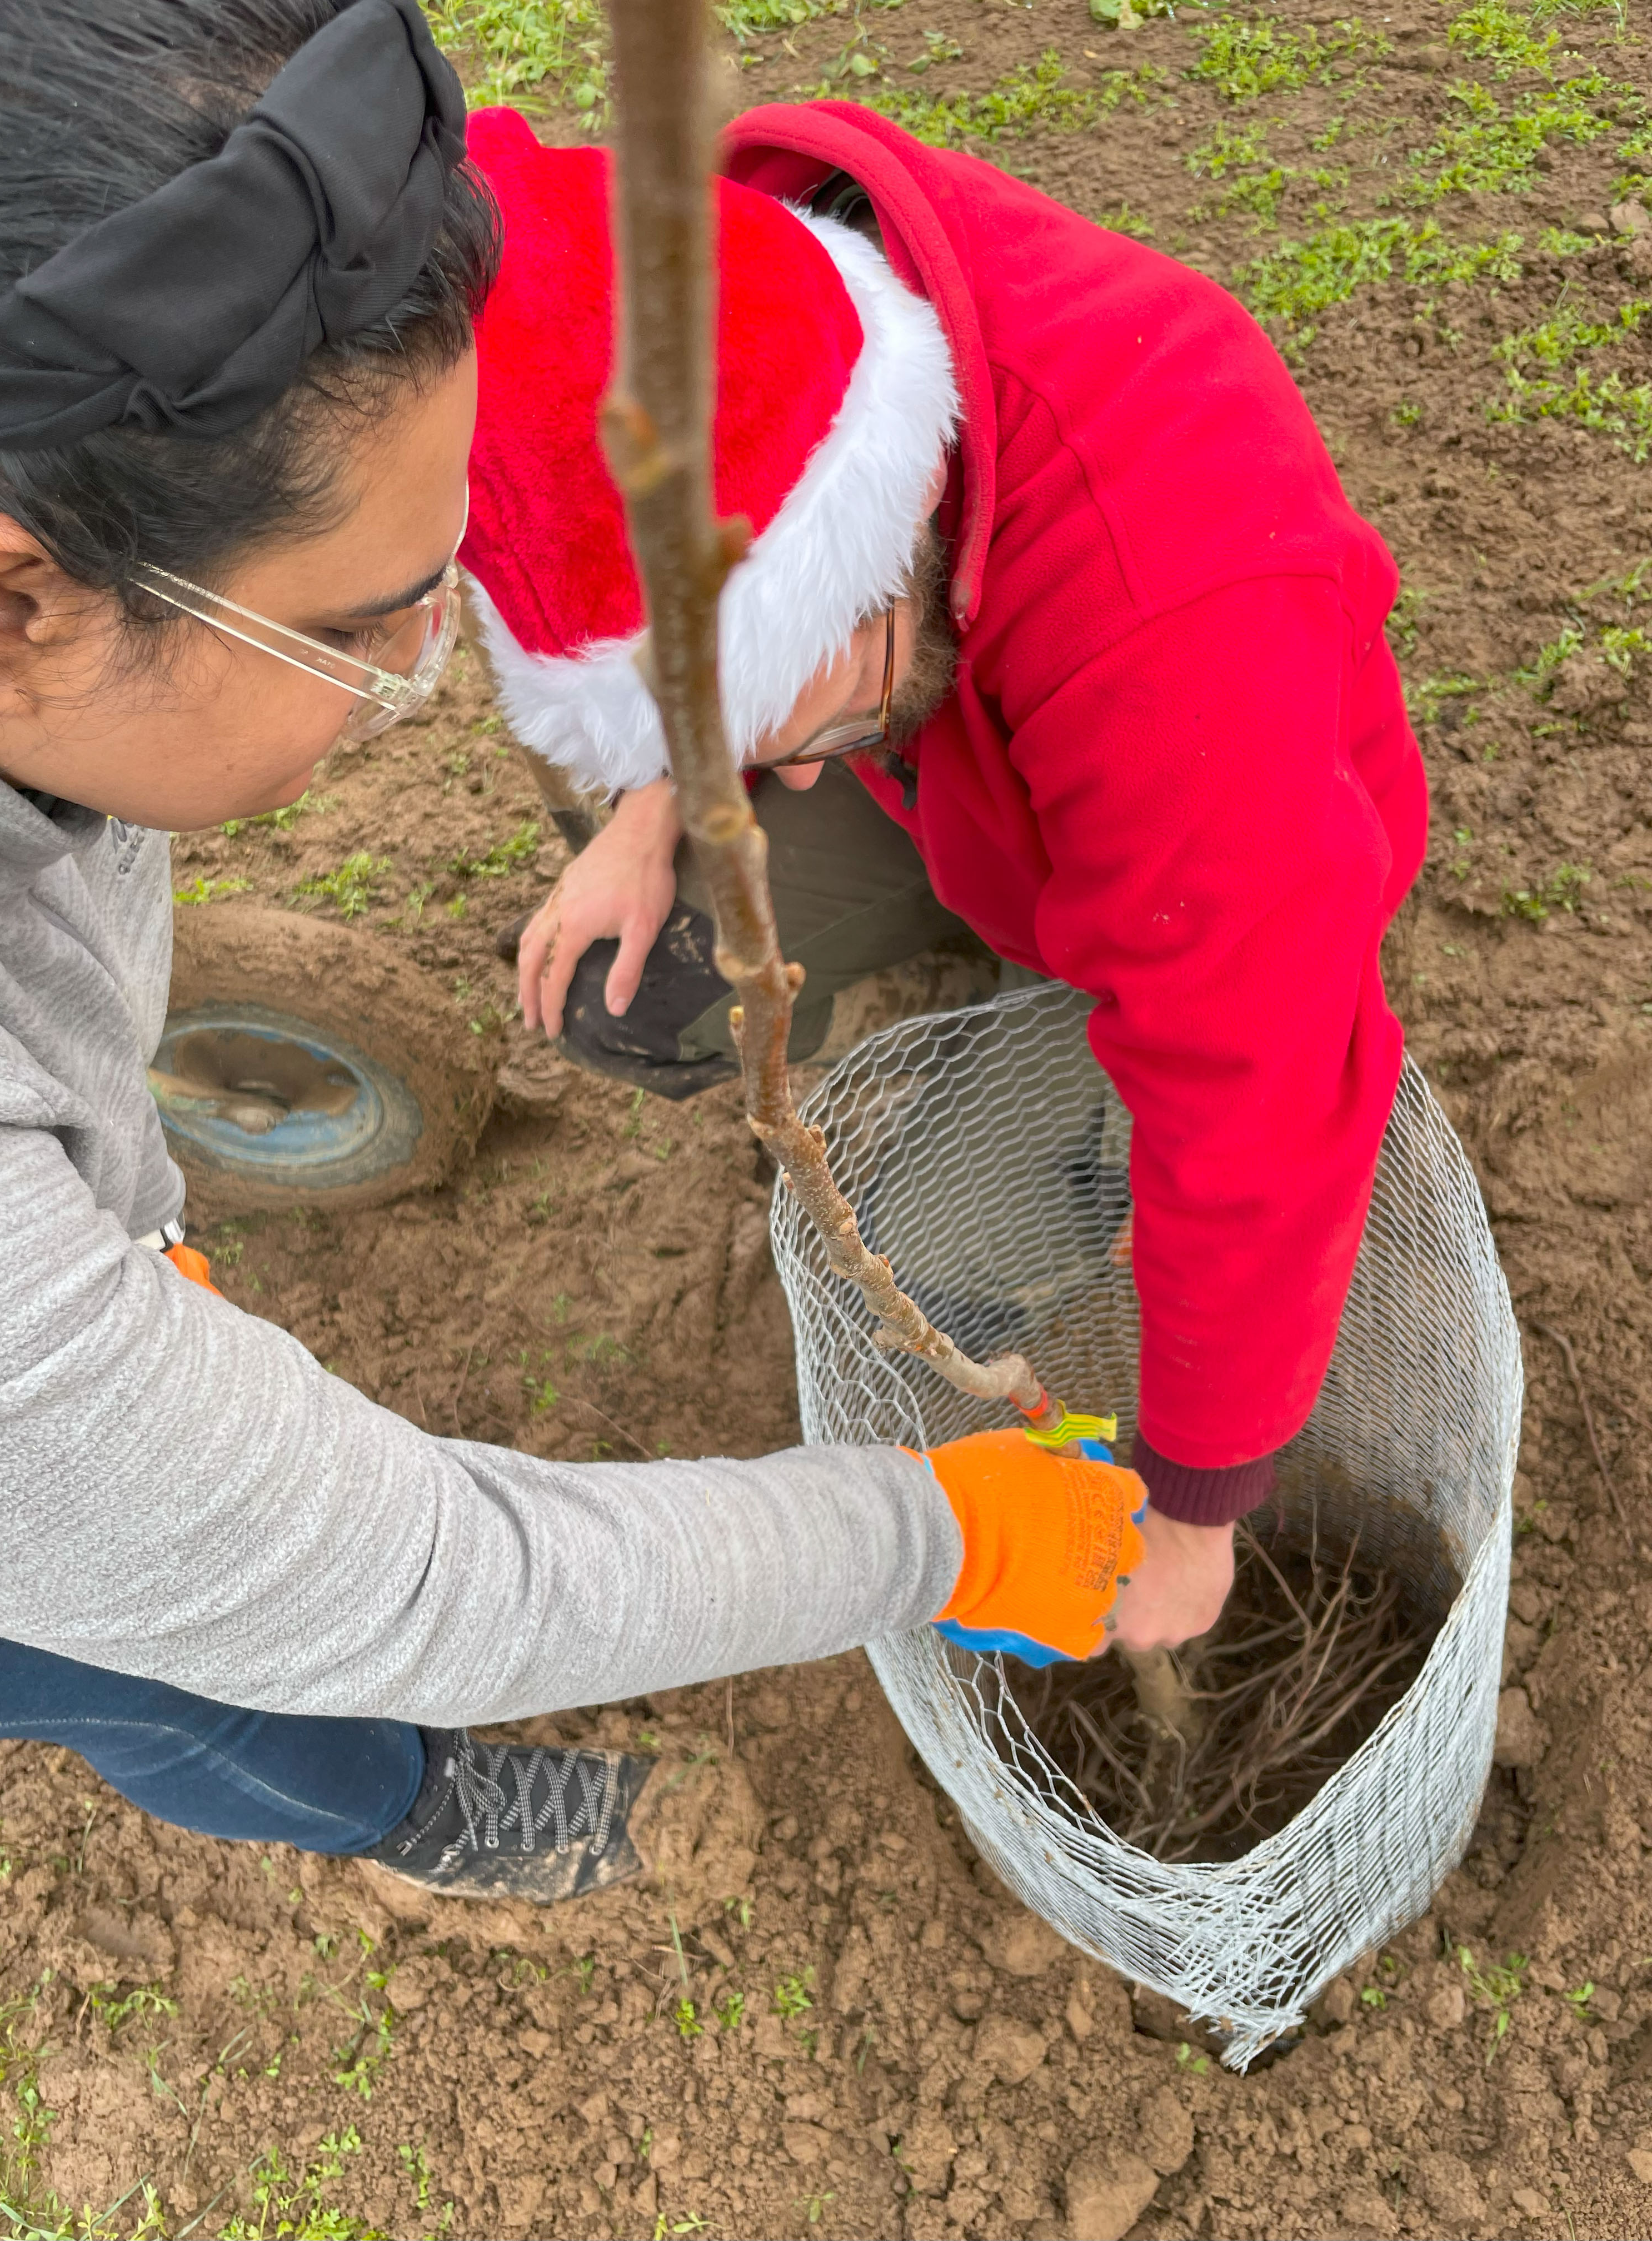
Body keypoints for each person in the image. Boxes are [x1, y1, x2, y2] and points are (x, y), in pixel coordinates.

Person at [0, 0, 1147, 1903]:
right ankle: (403, 1811)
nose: (415, 672)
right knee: (162, 1669)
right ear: (7, 602)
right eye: (358, 631)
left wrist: (122, 1213)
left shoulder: (51, 663)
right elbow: (417, 1579)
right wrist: (941, 1537)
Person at [461, 104, 1430, 1653]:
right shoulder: (737, 308)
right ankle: (955, 917)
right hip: (960, 785)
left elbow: (1255, 1085)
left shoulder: (1175, 607)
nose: (780, 780)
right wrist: (650, 803)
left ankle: (1052, 1027)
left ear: (893, 509)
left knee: (929, 1272)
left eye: (803, 719)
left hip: (1179, 878)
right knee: (632, 996)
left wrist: (1193, 1516)